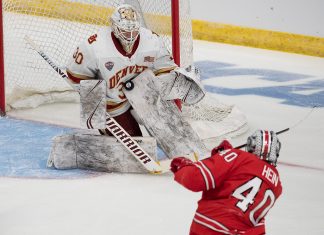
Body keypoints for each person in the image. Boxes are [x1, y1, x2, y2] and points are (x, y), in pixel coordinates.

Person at [66, 4, 200, 136]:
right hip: (114, 105)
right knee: (136, 145)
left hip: (145, 98)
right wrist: (96, 111)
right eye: (125, 30)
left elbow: (165, 69)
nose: (130, 35)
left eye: (134, 30)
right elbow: (75, 75)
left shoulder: (152, 41)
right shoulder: (94, 46)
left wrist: (180, 81)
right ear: (114, 27)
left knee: (175, 135)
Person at [170, 130, 283, 235]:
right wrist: (222, 156)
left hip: (212, 227)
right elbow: (241, 181)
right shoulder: (277, 185)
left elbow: (194, 179)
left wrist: (184, 168)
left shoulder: (240, 157)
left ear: (251, 145)